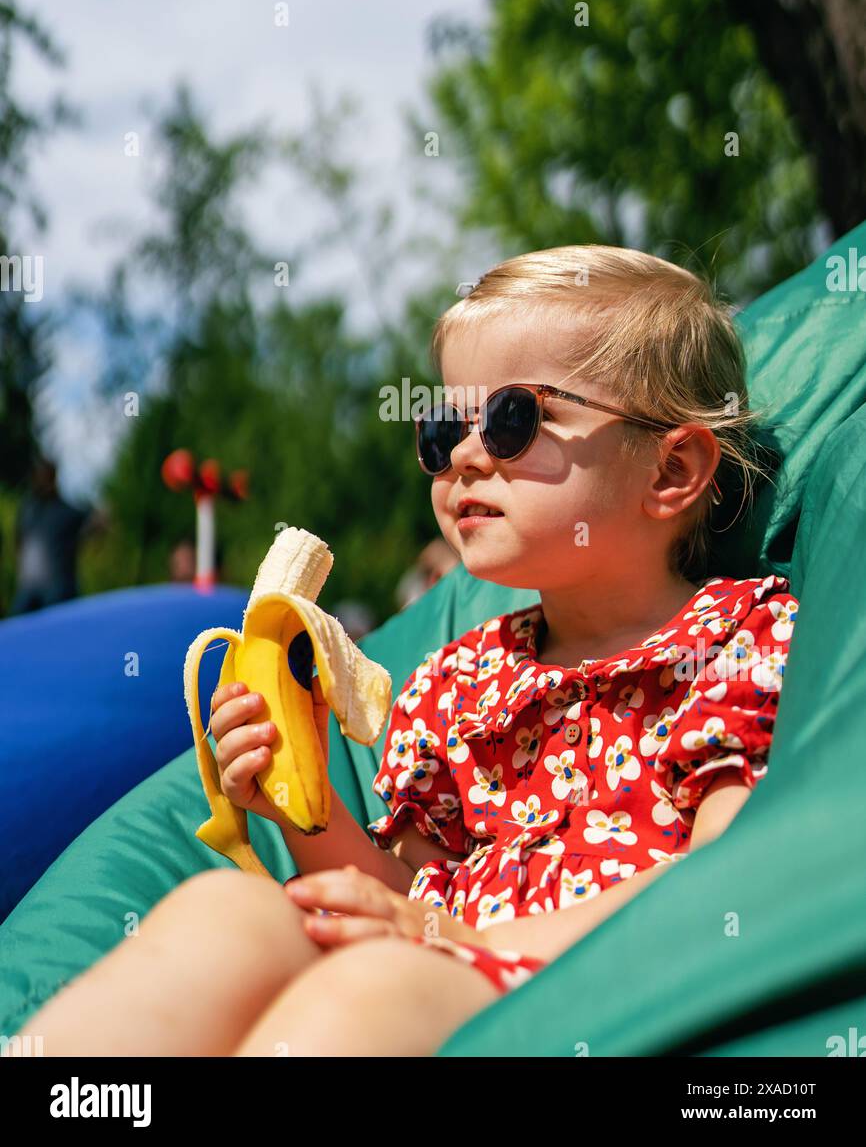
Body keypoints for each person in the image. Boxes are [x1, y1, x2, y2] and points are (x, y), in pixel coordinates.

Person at [17, 244, 800, 1056]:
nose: (463, 455)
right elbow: (402, 887)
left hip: (581, 993)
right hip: (431, 957)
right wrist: (303, 796)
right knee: (234, 910)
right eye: (443, 430)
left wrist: (466, 941)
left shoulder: (733, 646)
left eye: (511, 420)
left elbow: (722, 873)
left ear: (670, 469)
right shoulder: (458, 680)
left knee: (374, 985)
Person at [9, 458, 104, 614]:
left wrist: (84, 538)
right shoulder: (28, 510)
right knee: (17, 624)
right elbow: (19, 542)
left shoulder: (67, 511)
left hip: (59, 588)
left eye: (45, 477)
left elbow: (98, 521)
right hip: (29, 587)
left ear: (53, 479)